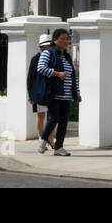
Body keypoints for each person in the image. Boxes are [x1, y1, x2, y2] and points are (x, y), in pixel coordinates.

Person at [37, 28, 80, 156]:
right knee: (54, 117)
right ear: (55, 40)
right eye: (62, 39)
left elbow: (73, 76)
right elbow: (41, 68)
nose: (65, 41)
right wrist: (57, 74)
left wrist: (76, 92)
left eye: (67, 39)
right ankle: (43, 139)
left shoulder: (67, 56)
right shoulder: (48, 53)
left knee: (63, 122)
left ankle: (59, 147)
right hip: (53, 92)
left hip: (66, 95)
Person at [29, 35, 54, 151]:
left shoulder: (54, 58)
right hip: (39, 92)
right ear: (41, 47)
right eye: (46, 46)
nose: (48, 48)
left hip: (51, 92)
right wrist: (31, 94)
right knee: (41, 115)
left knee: (52, 117)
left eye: (49, 46)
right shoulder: (35, 59)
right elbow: (30, 78)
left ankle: (50, 139)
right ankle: (41, 138)